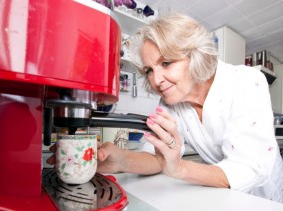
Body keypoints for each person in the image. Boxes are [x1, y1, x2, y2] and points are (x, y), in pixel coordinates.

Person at [47, 14, 283, 202]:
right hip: (223, 195)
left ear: (196, 55)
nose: (156, 80)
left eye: (166, 63)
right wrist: (120, 160)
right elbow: (157, 157)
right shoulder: (171, 102)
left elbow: (250, 169)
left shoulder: (245, 82)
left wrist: (179, 168)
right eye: (149, 70)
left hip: (265, 197)